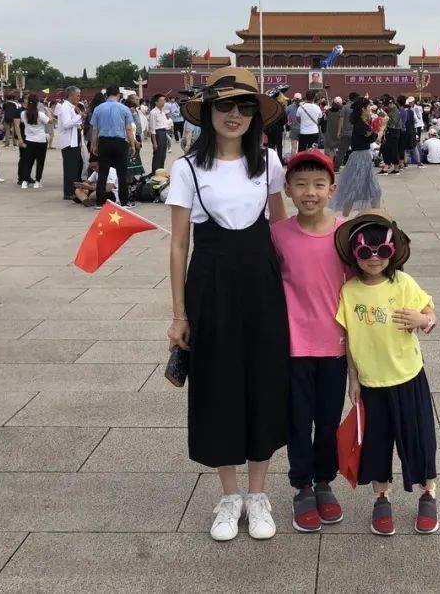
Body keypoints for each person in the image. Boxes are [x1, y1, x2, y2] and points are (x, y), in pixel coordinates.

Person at [166, 66, 289, 542]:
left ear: (256, 115)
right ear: (208, 113)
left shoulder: (269, 163)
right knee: (217, 385)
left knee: (263, 382)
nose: (234, 115)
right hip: (210, 285)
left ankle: (258, 494)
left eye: (244, 107)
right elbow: (179, 244)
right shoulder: (187, 168)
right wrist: (179, 314)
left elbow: (280, 230)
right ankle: (229, 495)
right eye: (225, 106)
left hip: (262, 285)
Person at [334, 212, 439, 536]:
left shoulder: (403, 284)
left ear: (392, 252)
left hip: (408, 376)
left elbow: (429, 312)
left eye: (382, 251)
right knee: (377, 444)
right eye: (365, 251)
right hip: (371, 383)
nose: (374, 258)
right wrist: (353, 379)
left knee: (418, 438)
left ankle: (428, 492)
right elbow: (349, 338)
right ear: (354, 254)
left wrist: (423, 321)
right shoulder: (349, 291)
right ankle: (381, 496)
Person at [270, 151, 347, 533]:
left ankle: (324, 481)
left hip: (335, 347)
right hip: (294, 348)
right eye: (300, 184)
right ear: (287, 190)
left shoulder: (346, 234)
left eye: (318, 184)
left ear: (332, 189)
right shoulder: (277, 234)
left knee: (329, 421)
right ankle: (301, 485)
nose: (309, 192)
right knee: (298, 421)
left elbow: (368, 283)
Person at [329, 97, 383, 217]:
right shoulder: (360, 124)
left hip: (363, 156)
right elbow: (374, 138)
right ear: (363, 109)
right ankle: (344, 218)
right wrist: (382, 128)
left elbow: (371, 137)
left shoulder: (361, 123)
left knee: (374, 191)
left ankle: (377, 216)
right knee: (354, 189)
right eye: (368, 107)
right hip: (360, 158)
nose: (370, 110)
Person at [89, 85, 136, 206]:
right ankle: (124, 201)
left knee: (103, 173)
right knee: (122, 173)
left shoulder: (98, 108)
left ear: (107, 95)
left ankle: (100, 202)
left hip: (104, 141)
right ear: (118, 95)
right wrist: (132, 144)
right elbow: (128, 129)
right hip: (119, 141)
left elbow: (94, 129)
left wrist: (94, 145)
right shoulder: (124, 108)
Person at [16, 94, 51, 189]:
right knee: (40, 162)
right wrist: (48, 111)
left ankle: (24, 181)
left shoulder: (23, 114)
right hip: (41, 140)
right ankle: (37, 181)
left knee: (28, 161)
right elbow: (50, 121)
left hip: (29, 140)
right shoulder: (40, 114)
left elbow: (22, 123)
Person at [56, 86, 85, 200]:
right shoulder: (65, 108)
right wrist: (79, 116)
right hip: (68, 142)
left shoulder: (72, 107)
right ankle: (69, 192)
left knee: (78, 166)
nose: (79, 98)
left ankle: (75, 189)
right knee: (70, 168)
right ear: (71, 96)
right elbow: (67, 123)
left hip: (74, 141)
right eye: (77, 96)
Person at [148, 93, 171, 173]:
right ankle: (155, 172)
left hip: (164, 133)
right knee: (158, 154)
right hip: (158, 134)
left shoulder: (162, 111)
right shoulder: (153, 112)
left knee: (163, 155)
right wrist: (154, 142)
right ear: (156, 102)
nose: (163, 102)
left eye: (164, 100)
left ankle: (161, 172)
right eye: (161, 100)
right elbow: (152, 128)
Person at [322, 97, 342, 164]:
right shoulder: (340, 113)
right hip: (337, 132)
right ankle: (333, 163)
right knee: (334, 149)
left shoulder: (328, 112)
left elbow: (324, 119)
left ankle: (328, 163)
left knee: (328, 149)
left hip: (329, 132)